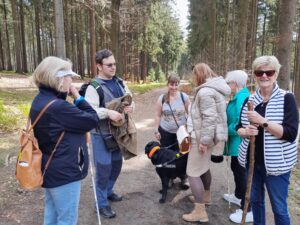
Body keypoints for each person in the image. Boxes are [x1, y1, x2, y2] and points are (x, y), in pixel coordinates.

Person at [30, 56, 99, 225]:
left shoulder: (40, 100)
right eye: (69, 77)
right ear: (59, 78)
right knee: (66, 220)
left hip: (50, 167)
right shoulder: (59, 107)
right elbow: (92, 119)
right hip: (65, 172)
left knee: (52, 217)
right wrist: (77, 96)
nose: (71, 82)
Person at [237, 55, 299, 225]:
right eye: (259, 72)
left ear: (276, 74)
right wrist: (245, 131)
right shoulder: (249, 100)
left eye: (269, 72)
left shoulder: (287, 98)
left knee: (279, 207)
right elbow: (238, 127)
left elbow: (291, 133)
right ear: (255, 75)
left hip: (277, 166)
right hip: (252, 164)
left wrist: (262, 121)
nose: (264, 76)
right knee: (256, 202)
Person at [84, 49, 134, 219]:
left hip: (118, 133)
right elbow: (90, 110)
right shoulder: (94, 87)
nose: (113, 67)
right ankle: (102, 203)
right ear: (99, 66)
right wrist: (108, 112)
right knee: (103, 168)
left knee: (116, 164)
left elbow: (130, 98)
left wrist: (130, 108)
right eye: (109, 65)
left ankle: (108, 190)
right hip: (100, 134)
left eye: (114, 64)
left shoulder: (120, 82)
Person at [182, 63, 231, 222]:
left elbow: (210, 119)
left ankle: (200, 211)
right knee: (203, 168)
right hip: (207, 137)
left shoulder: (205, 91)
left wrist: (203, 141)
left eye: (194, 75)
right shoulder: (215, 89)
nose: (192, 78)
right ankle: (206, 196)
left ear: (199, 74)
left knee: (192, 173)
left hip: (201, 137)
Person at [223, 70, 253, 223]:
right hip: (235, 141)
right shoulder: (237, 96)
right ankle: (239, 195)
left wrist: (226, 130)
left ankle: (248, 209)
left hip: (240, 142)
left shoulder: (243, 97)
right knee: (236, 169)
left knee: (242, 173)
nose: (228, 86)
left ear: (234, 83)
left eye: (229, 83)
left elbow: (241, 122)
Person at [154, 74, 190, 152]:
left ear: (178, 85)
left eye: (176, 85)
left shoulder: (184, 97)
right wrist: (156, 130)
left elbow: (190, 114)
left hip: (182, 134)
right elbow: (158, 115)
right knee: (167, 155)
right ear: (167, 84)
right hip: (165, 133)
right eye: (171, 84)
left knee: (182, 154)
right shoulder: (162, 98)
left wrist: (190, 129)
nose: (174, 87)